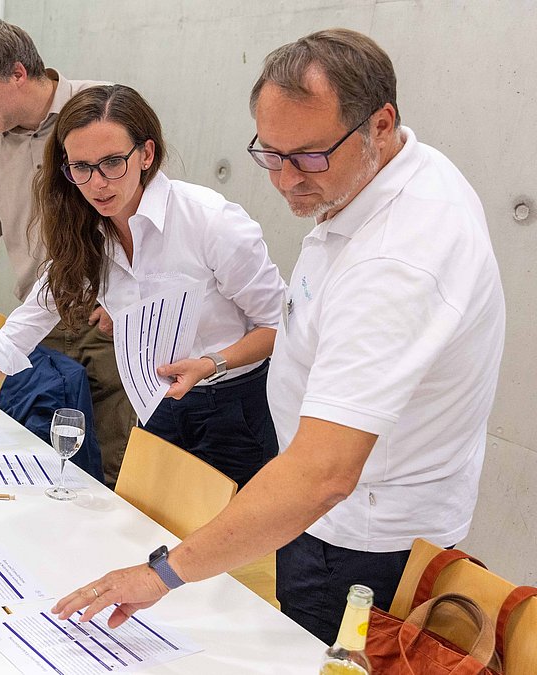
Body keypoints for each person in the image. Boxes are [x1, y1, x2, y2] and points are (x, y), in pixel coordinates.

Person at [51, 29, 505, 646]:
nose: (287, 180)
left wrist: (163, 574)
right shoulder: (387, 173)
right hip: (332, 517)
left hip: (360, 540)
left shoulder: (398, 261)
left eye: (310, 156)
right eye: (271, 154)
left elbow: (322, 476)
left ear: (380, 123)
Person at [0, 85, 284, 491]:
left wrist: (211, 363)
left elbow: (280, 327)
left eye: (112, 162)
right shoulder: (87, 235)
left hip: (234, 403)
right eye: (81, 167)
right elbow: (13, 338)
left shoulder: (211, 222)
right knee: (147, 534)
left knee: (220, 547)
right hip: (160, 400)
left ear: (146, 154)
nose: (97, 184)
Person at [0, 20, 138, 487]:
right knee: (42, 459)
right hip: (37, 323)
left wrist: (123, 297)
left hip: (107, 324)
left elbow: (145, 210)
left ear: (18, 74)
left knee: (113, 462)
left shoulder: (98, 111)